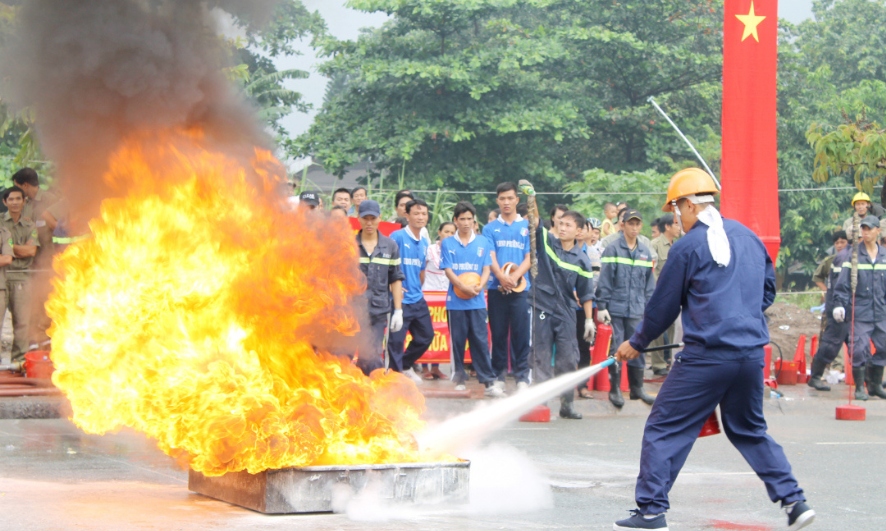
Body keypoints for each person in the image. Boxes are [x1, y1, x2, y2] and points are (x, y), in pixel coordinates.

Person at [611, 168, 814, 531]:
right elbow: (767, 292)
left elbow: (663, 306)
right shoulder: (748, 237)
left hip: (706, 358)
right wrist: (739, 313)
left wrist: (636, 343)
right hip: (751, 356)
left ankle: (652, 511)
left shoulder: (687, 247)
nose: (676, 218)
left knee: (664, 428)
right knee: (749, 430)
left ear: (689, 205)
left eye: (676, 209)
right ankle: (794, 502)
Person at [526, 206, 596, 418]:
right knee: (541, 357)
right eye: (561, 223)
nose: (562, 228)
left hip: (566, 311)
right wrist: (532, 198)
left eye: (568, 225)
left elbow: (586, 293)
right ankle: (541, 403)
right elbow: (535, 220)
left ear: (579, 231)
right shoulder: (547, 243)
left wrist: (589, 321)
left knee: (567, 359)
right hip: (542, 307)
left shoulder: (582, 260)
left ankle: (567, 404)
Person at [441, 201, 503, 397]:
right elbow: (448, 270)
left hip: (477, 300)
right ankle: (459, 376)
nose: (466, 223)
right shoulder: (448, 243)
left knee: (480, 340)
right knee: (458, 341)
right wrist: (461, 286)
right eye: (462, 219)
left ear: (474, 221)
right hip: (455, 301)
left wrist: (479, 286)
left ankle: (488, 381)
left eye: (469, 219)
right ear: (455, 221)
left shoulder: (483, 242)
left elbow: (486, 268)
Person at [596, 208, 656, 407]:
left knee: (638, 346)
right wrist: (602, 305)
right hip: (615, 308)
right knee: (616, 348)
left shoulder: (645, 252)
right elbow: (604, 280)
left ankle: (637, 388)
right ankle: (615, 389)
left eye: (638, 224)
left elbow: (649, 285)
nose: (634, 227)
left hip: (637, 309)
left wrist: (650, 308)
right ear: (623, 225)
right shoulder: (613, 249)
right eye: (631, 223)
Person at [482, 182, 532, 390]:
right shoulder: (490, 228)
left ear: (517, 200)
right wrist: (501, 277)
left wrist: (515, 278)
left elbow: (530, 257)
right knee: (499, 333)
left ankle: (522, 377)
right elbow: (490, 255)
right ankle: (498, 376)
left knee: (521, 333)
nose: (506, 202)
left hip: (521, 290)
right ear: (497, 201)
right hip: (496, 288)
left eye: (510, 198)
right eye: (502, 198)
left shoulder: (526, 227)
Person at [832, 215, 886, 400]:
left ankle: (876, 385)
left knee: (884, 347)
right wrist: (839, 305)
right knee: (858, 349)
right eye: (863, 229)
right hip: (860, 311)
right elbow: (843, 283)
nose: (866, 232)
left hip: (881, 311)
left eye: (869, 229)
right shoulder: (853, 256)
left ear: (878, 231)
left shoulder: (884, 256)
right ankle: (859, 388)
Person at [354, 200, 404, 374]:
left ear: (380, 218)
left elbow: (396, 278)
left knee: (372, 358)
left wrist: (398, 310)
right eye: (365, 218)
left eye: (373, 218)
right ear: (358, 218)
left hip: (378, 312)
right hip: (352, 313)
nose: (369, 223)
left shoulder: (390, 246)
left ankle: (371, 396)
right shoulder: (349, 246)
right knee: (343, 358)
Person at [388, 199, 435, 383]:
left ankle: (405, 365)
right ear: (406, 215)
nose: (420, 217)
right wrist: (392, 287)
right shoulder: (397, 237)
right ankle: (394, 375)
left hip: (417, 299)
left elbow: (421, 271)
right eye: (416, 213)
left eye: (424, 213)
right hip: (400, 299)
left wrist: (416, 286)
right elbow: (387, 266)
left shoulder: (424, 242)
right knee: (396, 341)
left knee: (426, 336)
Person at [13, 168, 58, 351]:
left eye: (18, 187)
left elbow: (63, 228)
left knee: (48, 303)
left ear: (25, 185)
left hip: (48, 263)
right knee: (30, 304)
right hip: (28, 264)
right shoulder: (23, 203)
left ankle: (48, 345)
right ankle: (32, 347)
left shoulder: (51, 201)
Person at [1, 187, 39, 363]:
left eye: (18, 199)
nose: (15, 202)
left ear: (24, 201)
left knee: (22, 323)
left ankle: (19, 362)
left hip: (22, 277)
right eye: (11, 199)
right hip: (2, 275)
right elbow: (25, 250)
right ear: (5, 202)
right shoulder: (0, 222)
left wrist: (7, 249)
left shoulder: (30, 224)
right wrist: (18, 249)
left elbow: (31, 251)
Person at [808, 230, 850, 385]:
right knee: (831, 342)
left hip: (855, 308)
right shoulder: (832, 261)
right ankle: (817, 375)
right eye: (837, 243)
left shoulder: (858, 259)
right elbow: (817, 277)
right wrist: (827, 292)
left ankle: (867, 380)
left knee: (857, 344)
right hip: (835, 306)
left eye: (843, 242)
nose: (840, 245)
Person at [421, 221, 456, 380]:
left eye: (451, 232)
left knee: (441, 332)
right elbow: (420, 270)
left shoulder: (455, 250)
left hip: (446, 296)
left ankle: (436, 367)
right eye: (446, 231)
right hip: (428, 295)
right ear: (439, 233)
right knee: (426, 331)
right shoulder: (429, 250)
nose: (449, 235)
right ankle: (424, 367)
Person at [647, 213, 680, 376]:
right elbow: (651, 271)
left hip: (673, 294)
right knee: (657, 331)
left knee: (672, 330)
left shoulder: (678, 245)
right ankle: (658, 364)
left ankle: (670, 361)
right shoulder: (655, 245)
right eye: (675, 224)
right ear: (667, 226)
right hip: (658, 293)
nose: (679, 228)